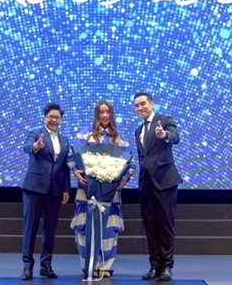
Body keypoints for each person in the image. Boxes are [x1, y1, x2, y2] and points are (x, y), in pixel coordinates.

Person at [68, 100, 134, 278]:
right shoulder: (85, 135)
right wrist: (76, 172)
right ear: (96, 114)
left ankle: (105, 267)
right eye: (101, 112)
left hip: (110, 195)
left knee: (108, 230)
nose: (104, 115)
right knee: (85, 229)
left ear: (112, 114)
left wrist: (125, 178)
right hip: (87, 192)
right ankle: (89, 266)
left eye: (107, 112)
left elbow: (131, 163)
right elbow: (71, 156)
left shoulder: (118, 138)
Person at [133, 92, 182, 281]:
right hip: (146, 184)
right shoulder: (138, 130)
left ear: (151, 104)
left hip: (165, 182)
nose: (140, 108)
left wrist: (165, 135)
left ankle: (167, 266)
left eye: (143, 104)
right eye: (137, 106)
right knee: (150, 227)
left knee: (165, 225)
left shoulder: (165, 120)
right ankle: (154, 266)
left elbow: (175, 137)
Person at [21, 103, 70, 281]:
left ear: (60, 120)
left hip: (55, 190)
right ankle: (27, 266)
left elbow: (64, 167)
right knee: (31, 228)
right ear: (45, 118)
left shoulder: (65, 140)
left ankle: (46, 265)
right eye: (51, 117)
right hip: (35, 188)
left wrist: (66, 188)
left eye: (57, 117)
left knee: (50, 229)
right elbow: (27, 147)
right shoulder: (36, 133)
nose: (54, 120)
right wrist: (35, 146)